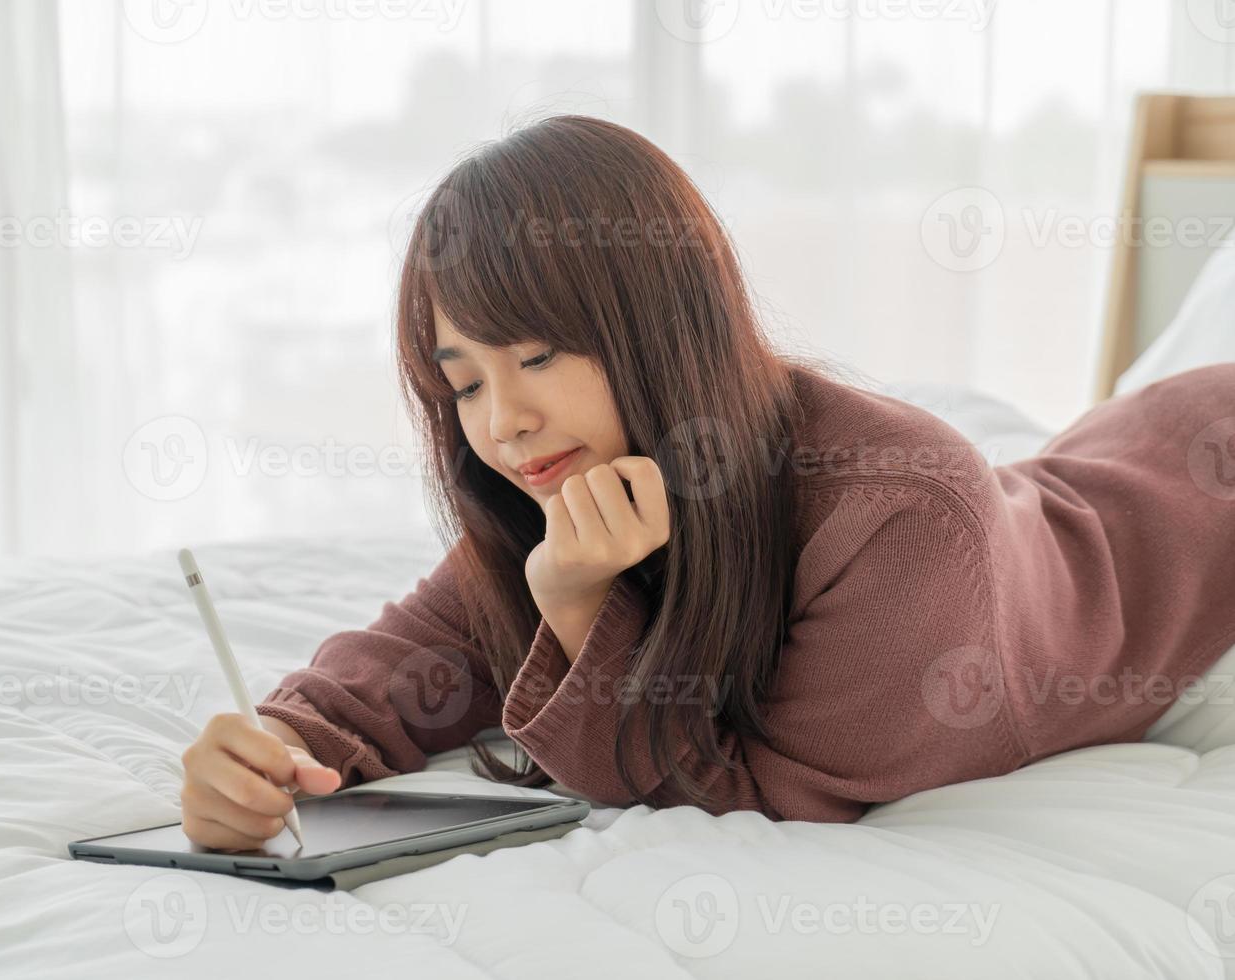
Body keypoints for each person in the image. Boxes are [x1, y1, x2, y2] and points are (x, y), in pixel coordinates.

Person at [180, 115, 1235, 851]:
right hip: (1095, 463)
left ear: (661, 324)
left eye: (540, 356)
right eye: (464, 382)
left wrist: (581, 605)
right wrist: (272, 748)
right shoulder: (571, 476)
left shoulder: (902, 521)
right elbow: (413, 654)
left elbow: (757, 793)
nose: (504, 423)